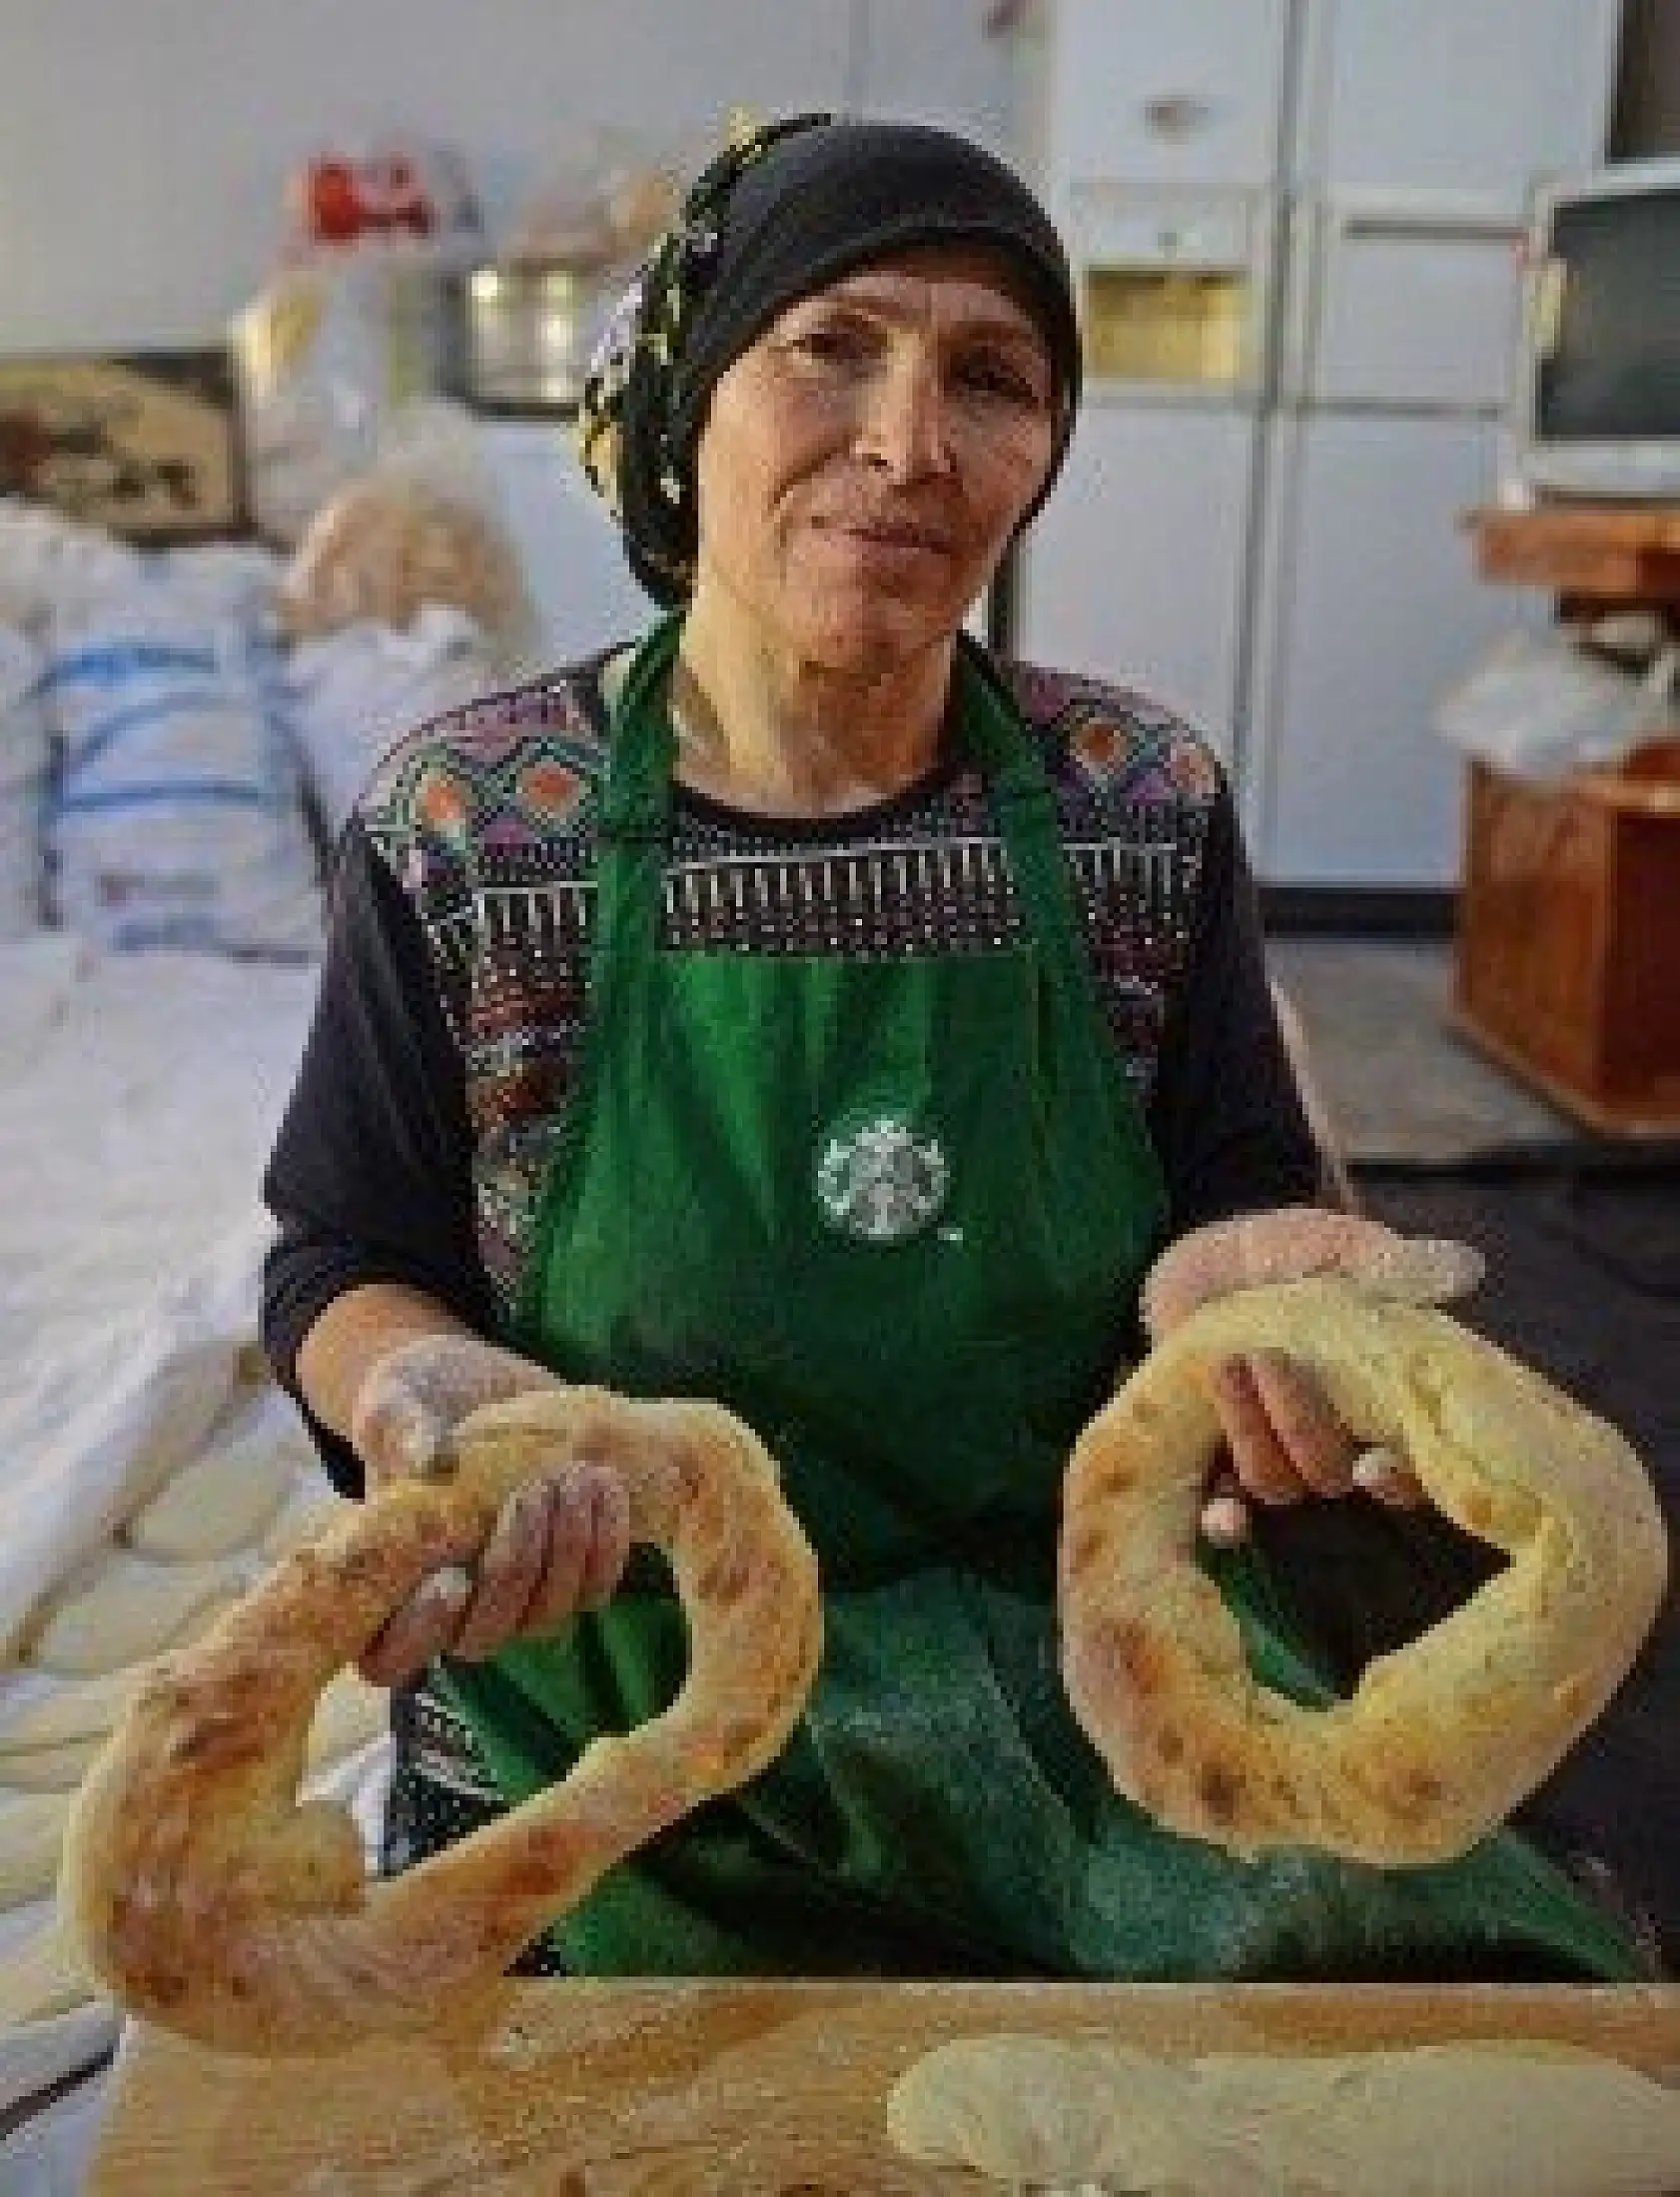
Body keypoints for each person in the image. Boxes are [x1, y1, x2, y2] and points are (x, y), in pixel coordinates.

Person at [261, 113, 1647, 1983]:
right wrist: (423, 1388)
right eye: (829, 346)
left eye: (989, 379)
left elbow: (1232, 1178)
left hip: (1065, 1675)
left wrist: (1255, 1278)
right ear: (692, 400)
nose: (909, 445)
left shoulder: (1133, 796)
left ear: (1043, 456)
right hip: (617, 1712)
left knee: (1461, 2006)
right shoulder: (469, 822)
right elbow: (344, 1260)